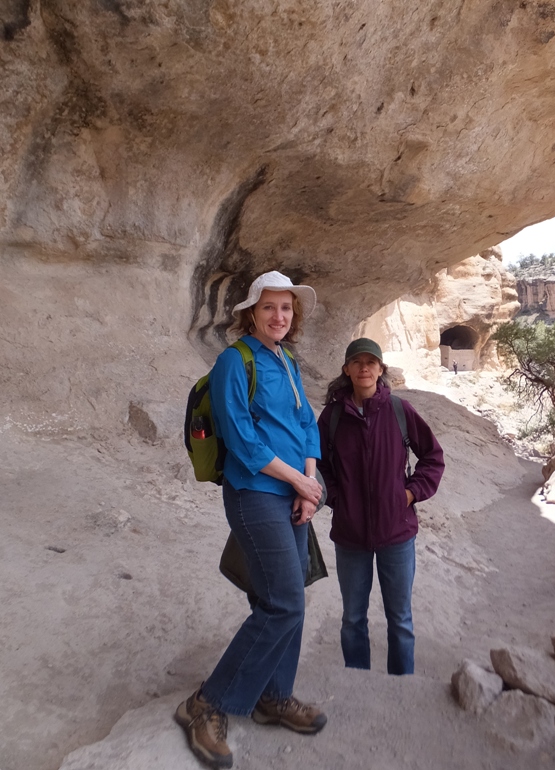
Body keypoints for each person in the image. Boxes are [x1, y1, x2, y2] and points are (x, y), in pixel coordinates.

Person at [175, 271, 327, 770]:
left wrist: (309, 478)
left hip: (292, 493)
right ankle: (207, 704)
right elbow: (242, 440)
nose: (279, 316)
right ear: (251, 314)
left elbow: (306, 423)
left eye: (286, 308)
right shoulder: (232, 362)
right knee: (282, 602)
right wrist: (299, 483)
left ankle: (273, 696)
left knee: (289, 598)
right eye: (269, 308)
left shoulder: (286, 362)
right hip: (256, 494)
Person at [317, 338, 445, 676]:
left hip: (396, 533)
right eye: (357, 362)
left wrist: (409, 494)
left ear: (380, 369)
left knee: (400, 618)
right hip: (350, 534)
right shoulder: (332, 418)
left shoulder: (399, 411)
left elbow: (433, 457)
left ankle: (400, 683)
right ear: (346, 370)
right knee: (352, 617)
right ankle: (357, 681)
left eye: (371, 362)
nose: (364, 367)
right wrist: (337, 498)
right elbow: (319, 465)